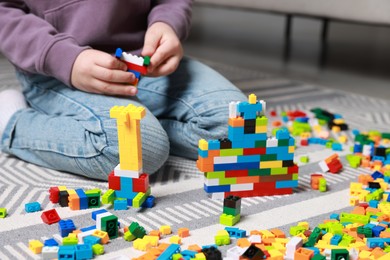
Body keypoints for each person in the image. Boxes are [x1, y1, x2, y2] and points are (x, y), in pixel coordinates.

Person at [0, 1, 247, 180]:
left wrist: (167, 23)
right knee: (136, 153)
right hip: (56, 72)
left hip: (143, 61)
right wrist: (61, 57)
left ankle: (149, 124)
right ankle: (12, 123)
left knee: (239, 128)